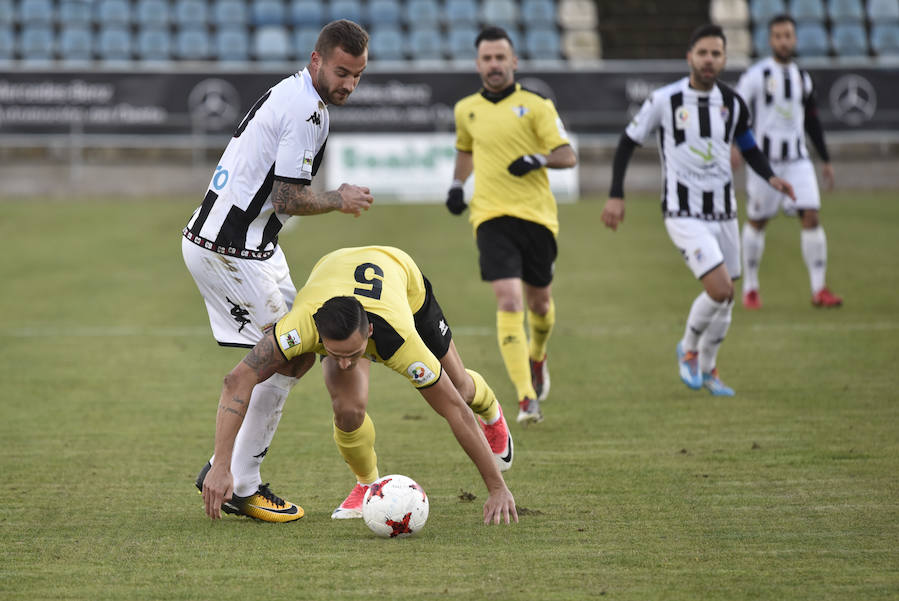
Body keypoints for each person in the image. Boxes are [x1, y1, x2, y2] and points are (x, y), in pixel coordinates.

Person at [182, 20, 374, 523]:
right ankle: (239, 483)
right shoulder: (306, 110)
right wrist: (340, 198)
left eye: (357, 75)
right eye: (341, 72)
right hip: (227, 248)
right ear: (317, 61)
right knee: (283, 355)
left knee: (299, 350)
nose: (348, 84)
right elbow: (289, 197)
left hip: (256, 246)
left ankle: (230, 471)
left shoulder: (295, 92)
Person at [199, 246, 518, 526]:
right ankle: (367, 484)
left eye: (353, 355)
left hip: (403, 282)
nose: (346, 365)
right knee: (348, 411)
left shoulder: (401, 339)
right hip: (334, 267)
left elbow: (456, 412)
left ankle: (491, 411)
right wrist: (222, 466)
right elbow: (237, 380)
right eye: (334, 355)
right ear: (320, 338)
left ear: (369, 333)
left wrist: (497, 488)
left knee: (459, 389)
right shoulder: (300, 325)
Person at [600, 24, 795, 397]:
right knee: (719, 289)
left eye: (716, 54)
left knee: (727, 298)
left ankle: (709, 369)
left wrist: (771, 178)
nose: (709, 60)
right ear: (690, 57)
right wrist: (615, 194)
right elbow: (627, 141)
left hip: (723, 212)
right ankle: (688, 348)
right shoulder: (665, 100)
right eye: (702, 53)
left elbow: (749, 147)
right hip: (682, 211)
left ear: (724, 58)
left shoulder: (733, 103)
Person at [445, 26, 577, 425]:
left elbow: (567, 155)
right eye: (487, 58)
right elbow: (465, 150)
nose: (495, 64)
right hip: (490, 217)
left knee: (540, 304)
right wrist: (456, 184)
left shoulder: (536, 105)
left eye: (501, 57)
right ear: (478, 64)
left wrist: (537, 159)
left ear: (514, 62)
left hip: (536, 217)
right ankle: (525, 398)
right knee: (508, 300)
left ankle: (537, 355)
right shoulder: (466, 109)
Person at [733, 14, 842, 309]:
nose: (783, 41)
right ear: (770, 40)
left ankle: (819, 288)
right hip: (763, 163)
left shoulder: (803, 78)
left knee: (812, 215)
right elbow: (735, 112)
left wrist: (825, 159)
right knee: (758, 221)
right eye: (778, 36)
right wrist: (734, 146)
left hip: (798, 160)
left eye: (788, 35)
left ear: (795, 39)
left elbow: (812, 120)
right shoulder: (756, 75)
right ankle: (751, 287)